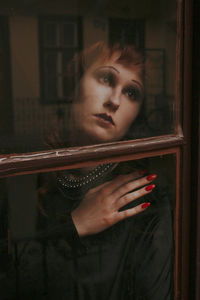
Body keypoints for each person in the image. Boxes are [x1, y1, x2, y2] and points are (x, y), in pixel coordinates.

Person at [2, 42, 173, 300]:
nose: (115, 101)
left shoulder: (145, 200)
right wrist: (76, 224)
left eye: (131, 93)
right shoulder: (21, 175)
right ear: (73, 86)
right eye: (106, 78)